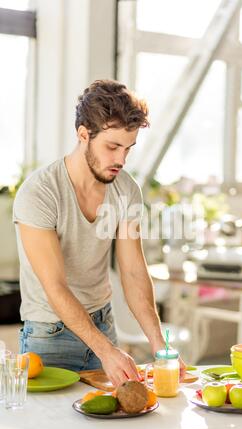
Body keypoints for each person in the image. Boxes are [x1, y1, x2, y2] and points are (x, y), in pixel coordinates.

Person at [14, 79, 185, 387]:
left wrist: (160, 345)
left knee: (114, 424)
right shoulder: (39, 193)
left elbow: (133, 272)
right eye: (112, 147)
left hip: (103, 325)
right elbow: (55, 287)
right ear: (83, 135)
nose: (121, 160)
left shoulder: (126, 190)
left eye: (128, 148)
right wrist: (106, 350)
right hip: (50, 337)